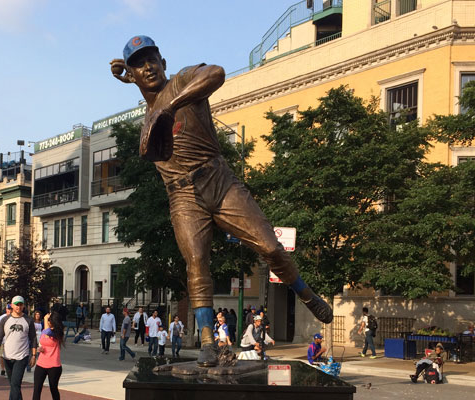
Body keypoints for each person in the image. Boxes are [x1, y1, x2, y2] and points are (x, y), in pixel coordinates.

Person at [111, 35, 332, 366]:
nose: (149, 67)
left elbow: (216, 73)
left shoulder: (184, 80)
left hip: (219, 180)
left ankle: (305, 293)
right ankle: (207, 342)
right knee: (197, 263)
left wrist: (170, 105)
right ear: (132, 74)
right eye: (139, 64)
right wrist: (143, 95)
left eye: (153, 59)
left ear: (164, 63)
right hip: (183, 196)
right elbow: (151, 129)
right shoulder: (147, 122)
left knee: (271, 248)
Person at [0, 296, 37, 400]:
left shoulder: (28, 320)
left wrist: (34, 355)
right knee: (13, 385)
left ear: (23, 306)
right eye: (16, 304)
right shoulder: (5, 320)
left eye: (21, 304)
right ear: (12, 305)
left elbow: (33, 339)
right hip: (7, 356)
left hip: (22, 356)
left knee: (15, 384)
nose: (18, 307)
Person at [33, 312, 64, 400]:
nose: (48, 322)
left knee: (53, 389)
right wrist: (41, 348)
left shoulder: (57, 333)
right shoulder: (45, 331)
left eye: (50, 320)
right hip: (41, 364)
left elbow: (48, 332)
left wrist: (46, 319)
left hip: (54, 365)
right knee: (37, 389)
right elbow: (43, 340)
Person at [0, 303, 12, 376]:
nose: (9, 311)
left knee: (9, 355)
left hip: (10, 340)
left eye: (11, 309)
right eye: (8, 309)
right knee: (1, 355)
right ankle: (2, 369)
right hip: (3, 340)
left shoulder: (15, 317)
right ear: (6, 310)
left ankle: (9, 369)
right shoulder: (2, 318)